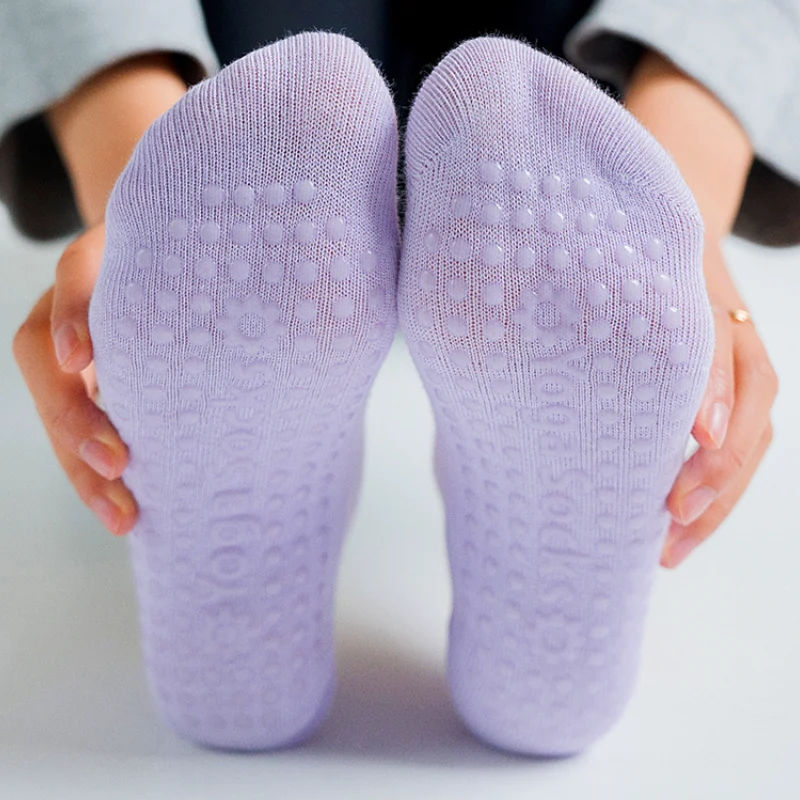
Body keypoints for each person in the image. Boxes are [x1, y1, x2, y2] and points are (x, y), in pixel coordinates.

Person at [2, 0, 791, 753]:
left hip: (288, 88)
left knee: (283, 133)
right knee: (299, 115)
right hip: (556, 94)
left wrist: (136, 180)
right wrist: (681, 189)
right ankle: (625, 242)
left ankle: (177, 199)